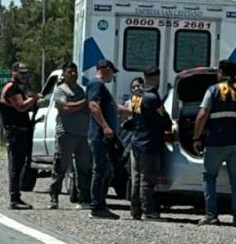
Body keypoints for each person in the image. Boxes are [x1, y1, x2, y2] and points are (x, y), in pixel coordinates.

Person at [192, 60, 236, 227]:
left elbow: (203, 114)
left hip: (217, 141)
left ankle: (211, 215)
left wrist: (196, 137)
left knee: (209, 176)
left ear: (220, 72)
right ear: (235, 73)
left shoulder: (213, 90)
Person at [46, 61, 92, 210]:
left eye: (75, 72)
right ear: (64, 74)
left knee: (84, 168)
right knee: (60, 166)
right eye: (69, 72)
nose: (73, 74)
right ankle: (54, 197)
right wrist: (83, 103)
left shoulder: (82, 90)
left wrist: (82, 104)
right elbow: (66, 107)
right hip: (66, 133)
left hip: (83, 134)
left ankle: (84, 198)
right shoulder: (60, 90)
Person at [128, 66, 172, 220]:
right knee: (147, 179)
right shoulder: (152, 97)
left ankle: (135, 210)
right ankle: (148, 211)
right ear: (157, 77)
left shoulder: (136, 96)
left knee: (136, 179)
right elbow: (165, 120)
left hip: (137, 141)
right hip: (149, 142)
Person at [0, 61, 43, 210]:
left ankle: (17, 196)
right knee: (16, 166)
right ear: (14, 72)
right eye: (21, 73)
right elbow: (21, 106)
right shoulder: (11, 88)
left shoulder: (18, 88)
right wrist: (34, 98)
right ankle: (14, 198)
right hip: (15, 132)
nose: (24, 76)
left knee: (21, 164)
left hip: (22, 131)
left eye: (26, 73)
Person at [85, 59, 121, 219]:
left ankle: (101, 203)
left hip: (104, 137)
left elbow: (115, 108)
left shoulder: (102, 87)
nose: (113, 75)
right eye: (112, 71)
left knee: (106, 170)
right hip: (99, 136)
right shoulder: (96, 84)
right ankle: (97, 206)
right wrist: (106, 127)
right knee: (100, 170)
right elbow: (93, 105)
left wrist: (134, 109)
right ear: (105, 69)